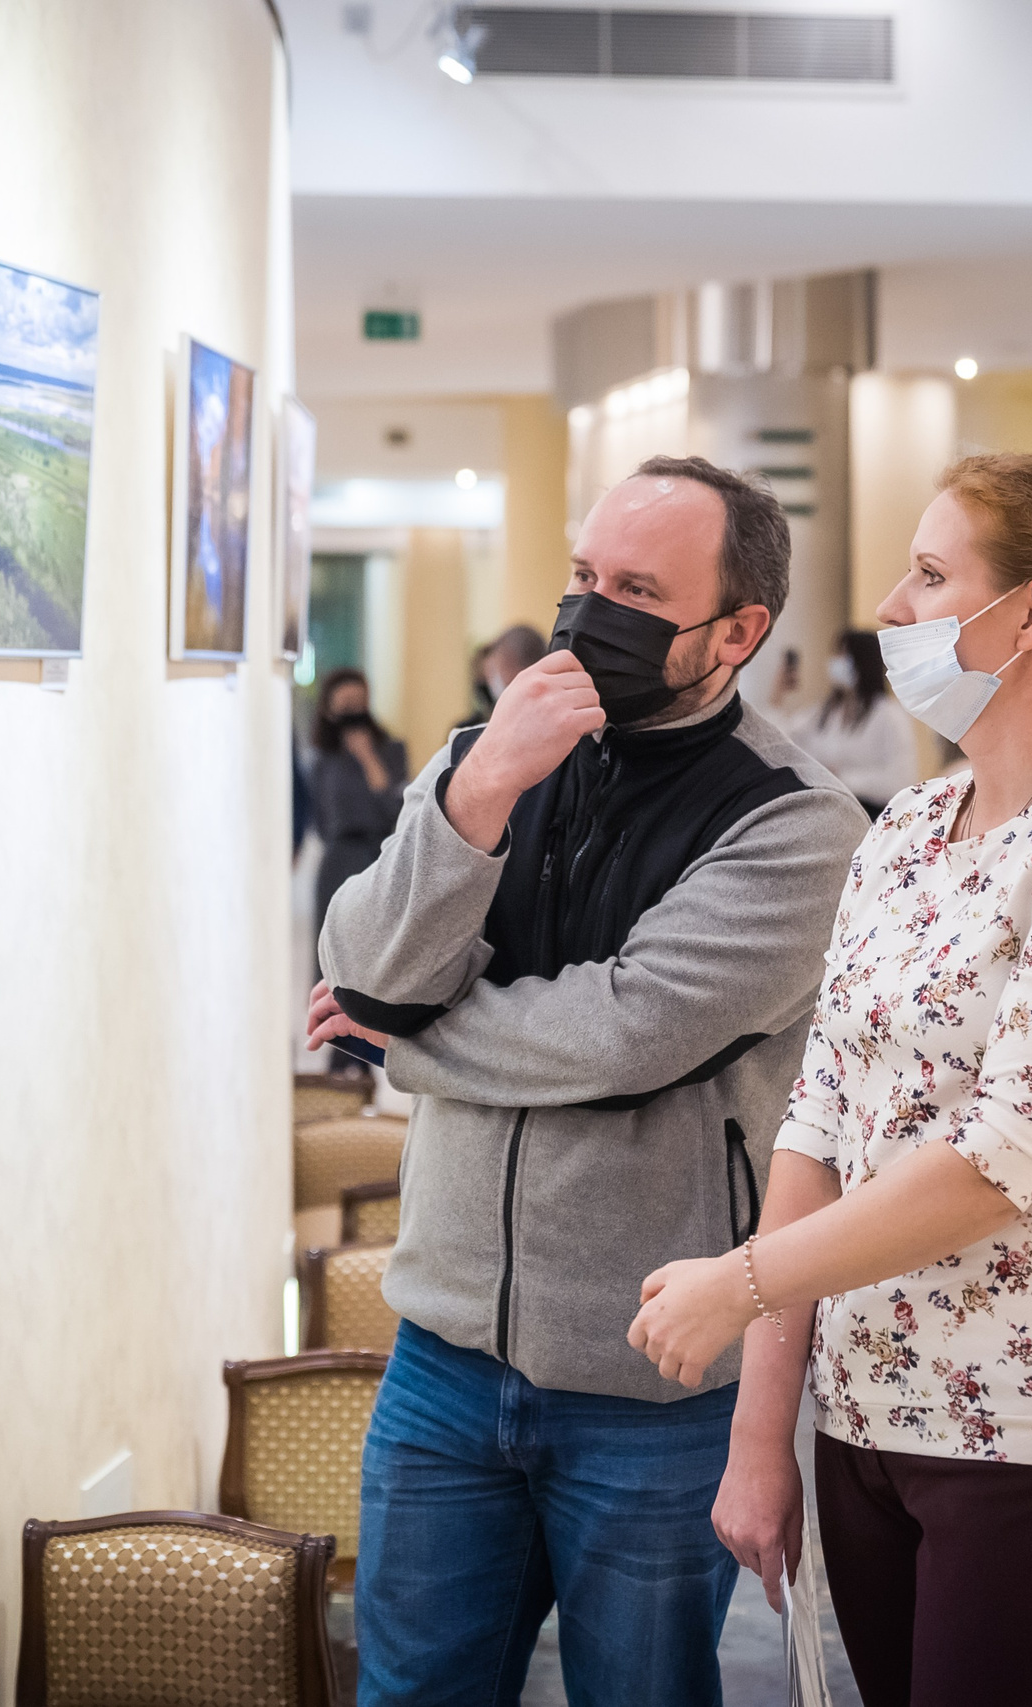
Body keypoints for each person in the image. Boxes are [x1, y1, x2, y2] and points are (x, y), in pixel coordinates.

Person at [625, 452, 1032, 1707]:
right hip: (867, 1422)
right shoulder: (905, 830)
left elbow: (997, 1162)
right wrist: (760, 1436)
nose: (891, 609)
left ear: (1031, 612)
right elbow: (817, 1122)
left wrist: (736, 1285)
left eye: (927, 575)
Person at [307, 456, 869, 1706]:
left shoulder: (797, 824)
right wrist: (480, 789)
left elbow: (619, 1037)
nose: (588, 614)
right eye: (582, 576)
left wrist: (402, 1044)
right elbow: (363, 963)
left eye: (636, 592)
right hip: (444, 1356)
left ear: (736, 631)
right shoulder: (489, 753)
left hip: (652, 1383)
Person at [309, 668, 409, 988]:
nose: (353, 711)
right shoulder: (323, 760)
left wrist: (368, 759)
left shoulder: (392, 750)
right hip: (338, 860)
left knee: (378, 951)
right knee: (332, 953)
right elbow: (322, 822)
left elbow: (397, 809)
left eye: (359, 702)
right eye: (345, 705)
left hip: (380, 857)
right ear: (329, 710)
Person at [789, 628, 920, 817]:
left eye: (843, 655)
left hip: (870, 814)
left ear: (863, 661)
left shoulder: (889, 715)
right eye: (836, 654)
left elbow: (900, 780)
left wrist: (842, 777)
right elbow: (789, 739)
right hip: (826, 809)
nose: (836, 661)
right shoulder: (825, 712)